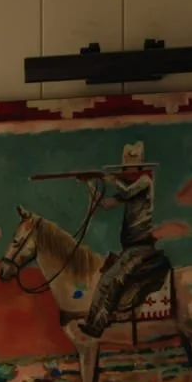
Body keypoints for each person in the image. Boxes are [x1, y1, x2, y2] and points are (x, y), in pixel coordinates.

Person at [80, 141, 170, 338]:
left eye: (130, 166)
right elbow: (105, 204)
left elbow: (127, 192)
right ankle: (90, 321)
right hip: (129, 248)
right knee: (105, 280)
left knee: (116, 280)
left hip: (141, 247)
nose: (127, 170)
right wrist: (89, 185)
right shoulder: (131, 187)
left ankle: (100, 323)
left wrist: (112, 180)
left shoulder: (145, 181)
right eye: (125, 167)